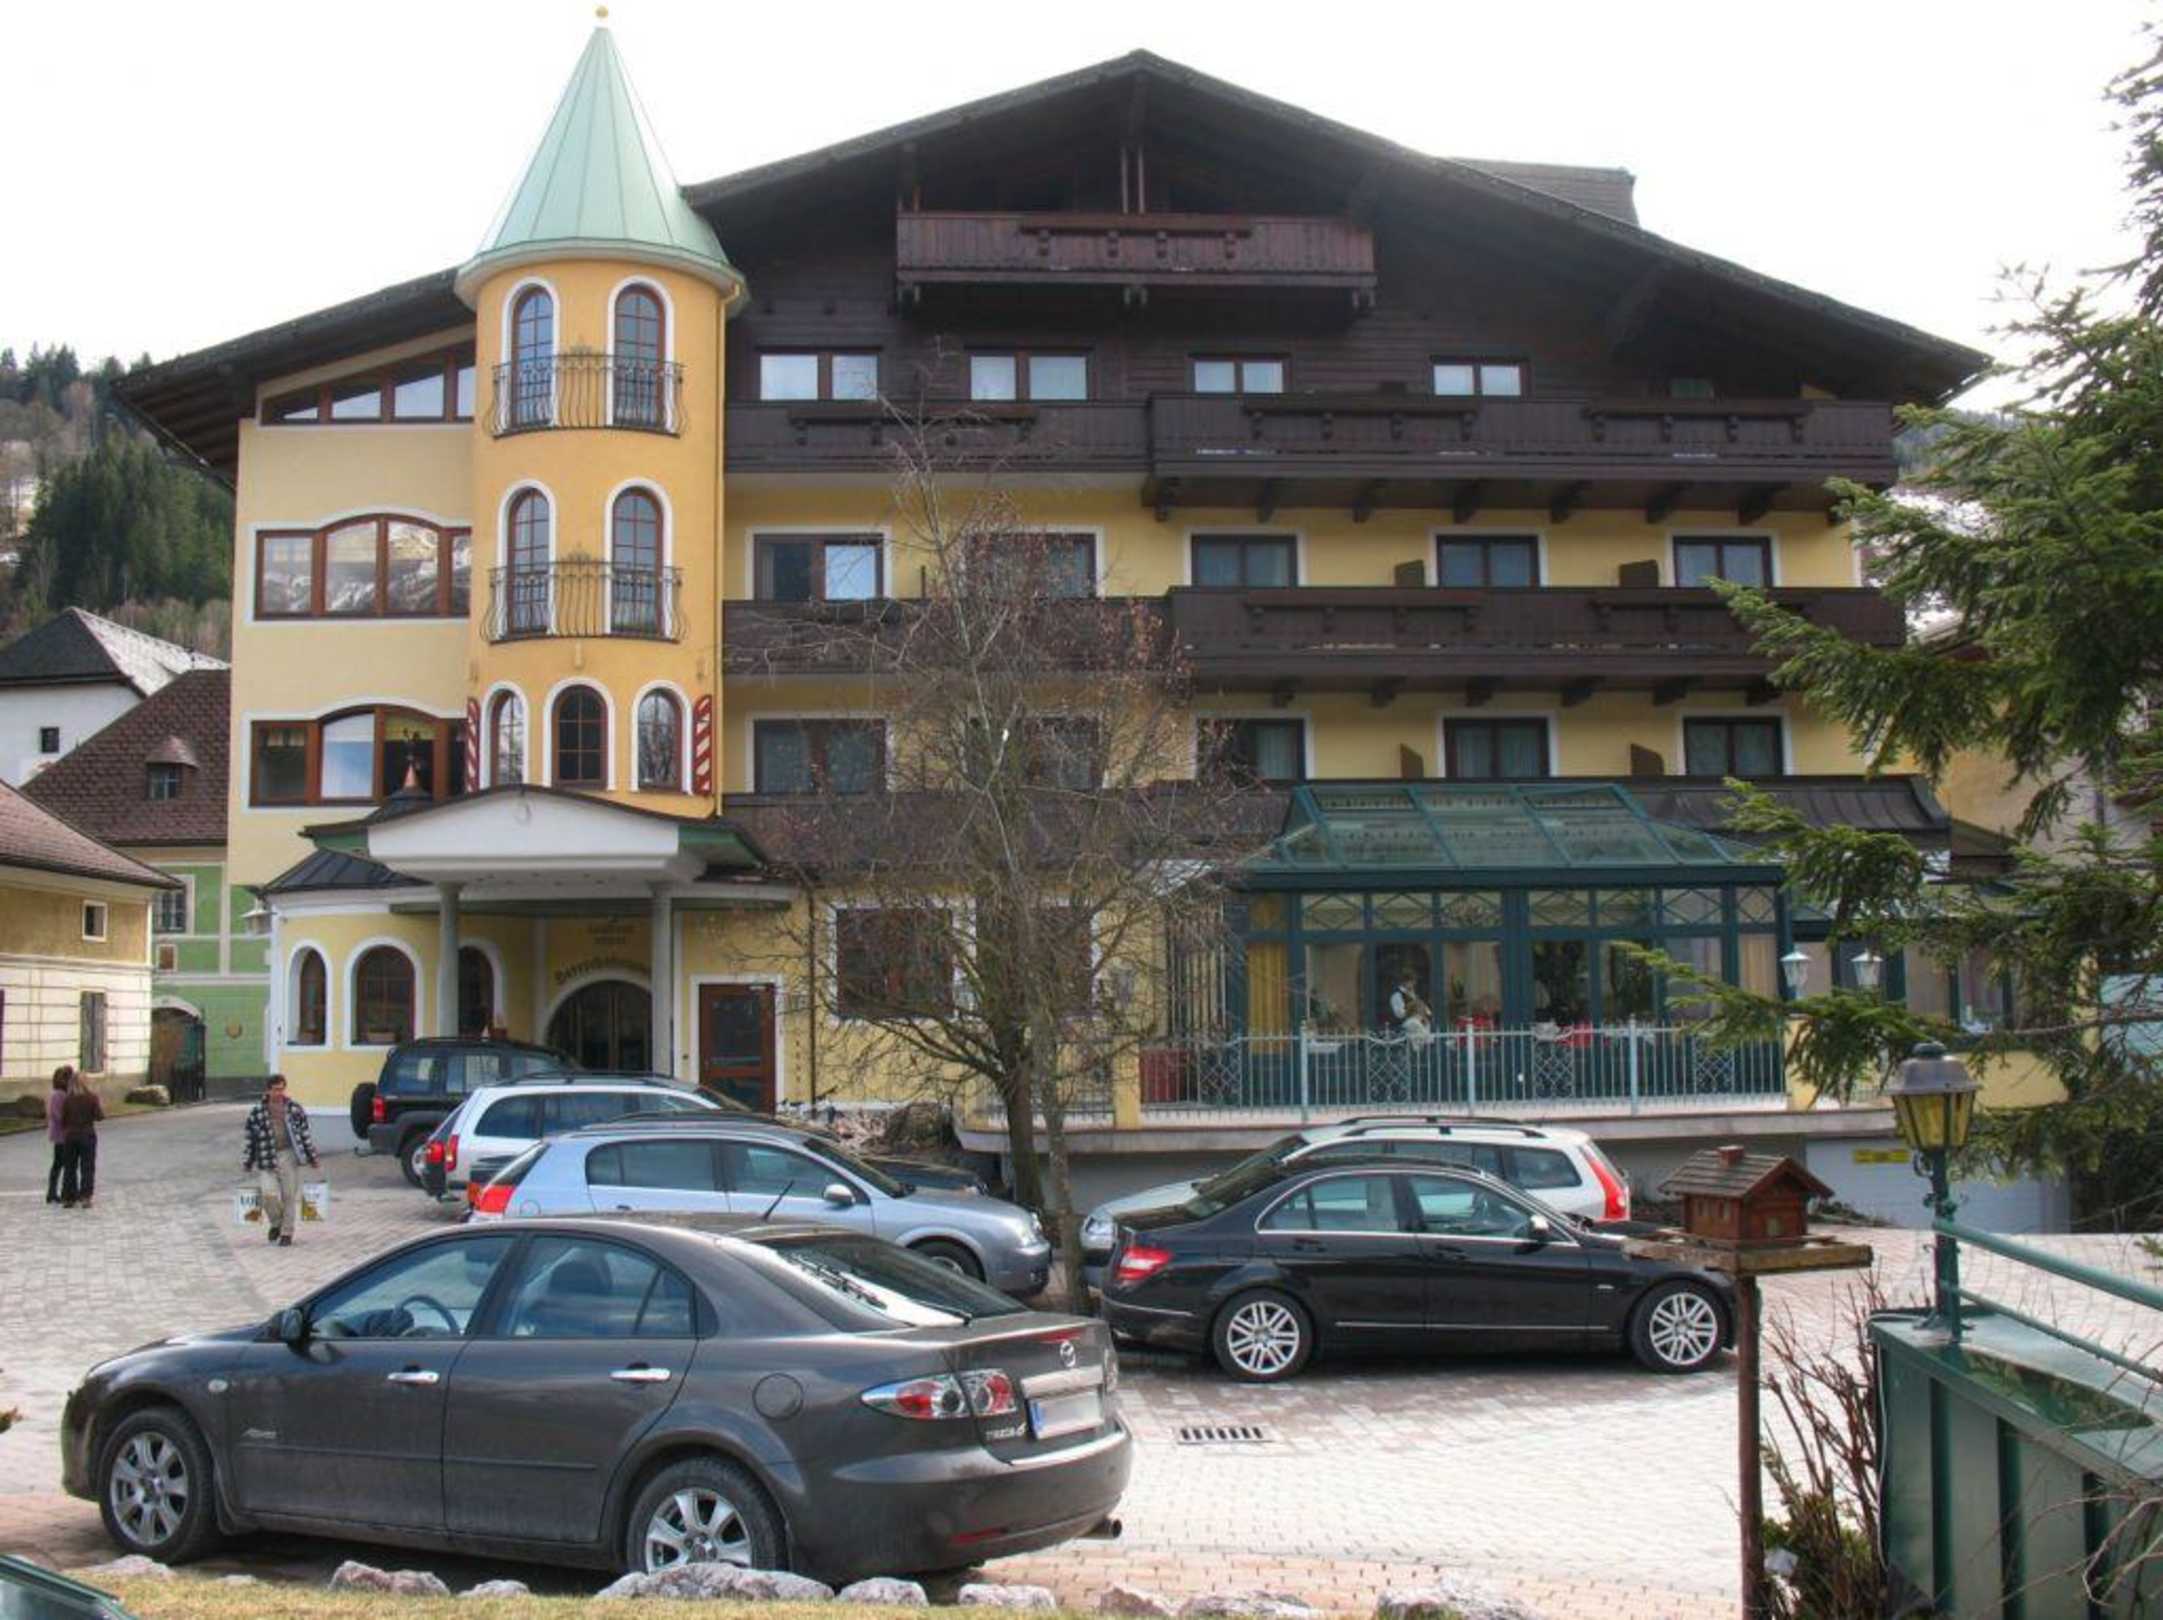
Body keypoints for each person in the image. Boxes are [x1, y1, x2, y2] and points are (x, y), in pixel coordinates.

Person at [243, 1074, 319, 1246]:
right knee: (268, 1195)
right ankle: (277, 1223)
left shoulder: (294, 1109)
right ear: (268, 1090)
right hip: (266, 1157)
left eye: (282, 1089)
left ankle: (286, 1233)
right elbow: (250, 1138)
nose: (279, 1093)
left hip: (288, 1155)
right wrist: (248, 1161)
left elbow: (305, 1134)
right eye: (276, 1089)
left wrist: (312, 1157)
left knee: (288, 1196)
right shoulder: (257, 1111)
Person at [57, 1071, 104, 1209]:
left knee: (70, 1167)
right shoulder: (92, 1098)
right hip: (87, 1135)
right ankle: (85, 1197)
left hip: (71, 1136)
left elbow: (63, 1120)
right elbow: (99, 1116)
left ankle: (68, 1197)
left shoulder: (68, 1099)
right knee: (87, 1167)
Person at [44, 1068, 72, 1205]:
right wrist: (69, 1122)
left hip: (63, 1134)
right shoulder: (58, 1095)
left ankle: (55, 1192)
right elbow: (57, 1115)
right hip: (61, 1135)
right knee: (59, 1164)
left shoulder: (63, 1093)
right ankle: (52, 1192)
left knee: (61, 1164)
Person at [1388, 969, 1433, 1038]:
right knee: (1414, 1024)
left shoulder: (1414, 995)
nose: (1414, 984)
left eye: (1414, 982)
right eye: (1412, 982)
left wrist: (1424, 1012)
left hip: (1420, 1024)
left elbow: (1428, 1012)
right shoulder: (1397, 995)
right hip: (1406, 1027)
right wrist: (1411, 1007)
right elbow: (1399, 1014)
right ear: (1405, 982)